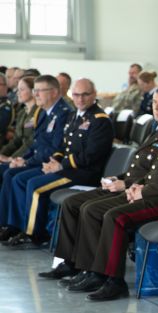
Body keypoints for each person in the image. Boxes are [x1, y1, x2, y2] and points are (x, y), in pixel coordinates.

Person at [57, 89, 158, 301]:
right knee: (93, 209)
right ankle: (93, 272)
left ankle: (114, 281)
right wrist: (137, 186)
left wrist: (144, 190)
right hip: (156, 195)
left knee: (116, 217)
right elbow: (156, 172)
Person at [41, 85, 158, 280]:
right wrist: (120, 178)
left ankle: (92, 271)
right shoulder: (156, 130)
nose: (156, 107)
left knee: (91, 209)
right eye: (154, 103)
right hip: (129, 184)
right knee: (71, 203)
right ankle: (70, 262)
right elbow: (139, 168)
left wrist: (126, 184)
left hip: (141, 191)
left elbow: (155, 174)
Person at [3, 78, 114, 248]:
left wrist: (62, 165)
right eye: (76, 94)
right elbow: (63, 145)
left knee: (35, 186)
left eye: (85, 94)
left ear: (94, 94)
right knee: (26, 180)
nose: (80, 99)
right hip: (67, 169)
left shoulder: (100, 120)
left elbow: (90, 156)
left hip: (83, 174)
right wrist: (54, 160)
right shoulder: (75, 116)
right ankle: (20, 227)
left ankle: (35, 234)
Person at [0, 75, 72, 242]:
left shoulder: (63, 113)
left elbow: (54, 149)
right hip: (38, 159)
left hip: (49, 163)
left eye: (40, 90)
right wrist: (20, 159)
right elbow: (35, 144)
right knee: (9, 172)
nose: (36, 94)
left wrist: (26, 162)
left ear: (54, 92)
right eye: (35, 90)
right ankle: (7, 224)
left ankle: (20, 227)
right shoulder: (46, 112)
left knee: (17, 177)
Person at [0, 76, 39, 162]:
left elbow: (30, 142)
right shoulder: (22, 113)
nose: (18, 93)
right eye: (18, 89)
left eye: (22, 89)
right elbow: (16, 140)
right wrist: (2, 154)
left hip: (30, 157)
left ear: (33, 92)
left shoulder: (40, 113)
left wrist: (12, 159)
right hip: (18, 156)